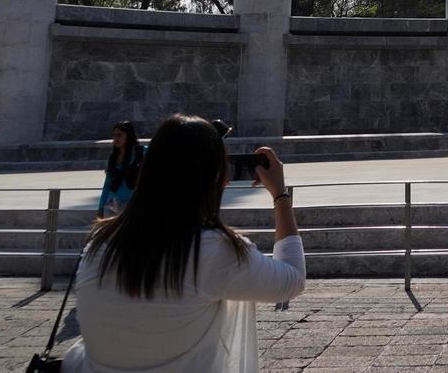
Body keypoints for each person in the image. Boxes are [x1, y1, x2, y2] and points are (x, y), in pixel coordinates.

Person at [60, 115, 305, 372]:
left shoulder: (99, 244)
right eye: (223, 170)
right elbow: (293, 279)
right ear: (215, 178)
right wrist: (280, 194)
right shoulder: (213, 252)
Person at [97, 121, 144, 217]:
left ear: (128, 136)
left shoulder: (141, 152)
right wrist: (100, 207)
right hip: (112, 205)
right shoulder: (113, 157)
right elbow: (107, 184)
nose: (115, 138)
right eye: (114, 135)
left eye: (119, 135)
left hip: (133, 205)